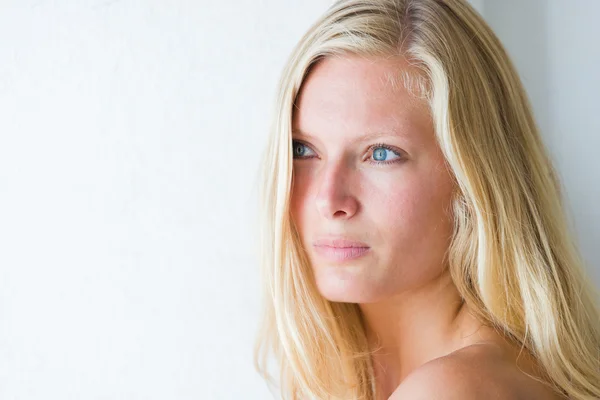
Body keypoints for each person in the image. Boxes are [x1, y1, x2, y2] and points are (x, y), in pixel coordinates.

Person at [252, 0, 600, 399]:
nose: (328, 199)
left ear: (473, 180)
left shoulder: (450, 389)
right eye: (303, 150)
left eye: (381, 153)